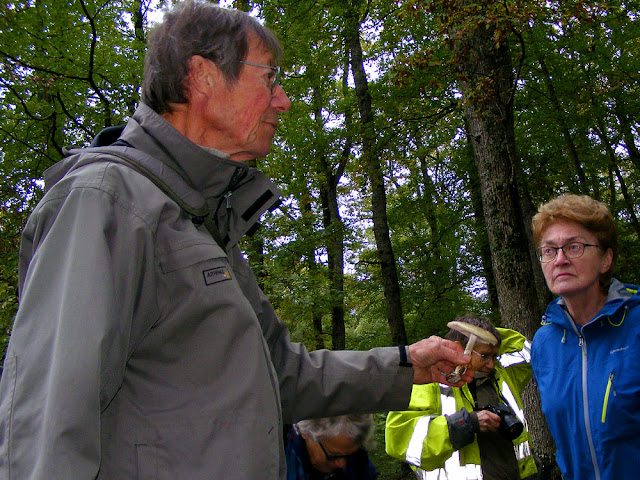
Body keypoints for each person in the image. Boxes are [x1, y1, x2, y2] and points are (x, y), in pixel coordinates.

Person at [0, 2, 473, 479]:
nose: (283, 100)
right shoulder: (108, 202)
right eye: (269, 79)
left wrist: (407, 364)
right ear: (201, 76)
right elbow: (47, 421)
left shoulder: (200, 224)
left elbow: (283, 375)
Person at [530, 194, 640, 480]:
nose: (560, 260)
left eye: (574, 247)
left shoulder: (636, 324)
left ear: (605, 259)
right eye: (549, 250)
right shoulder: (544, 343)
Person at [385, 315, 539, 479]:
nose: (491, 364)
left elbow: (525, 351)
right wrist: (467, 423)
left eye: (494, 356)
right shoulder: (429, 384)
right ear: (459, 347)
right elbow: (399, 439)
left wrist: (485, 333)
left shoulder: (503, 375)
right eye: (485, 356)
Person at [284, 415, 377, 480]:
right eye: (334, 455)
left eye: (349, 455)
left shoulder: (359, 462)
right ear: (306, 434)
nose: (342, 464)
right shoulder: (281, 462)